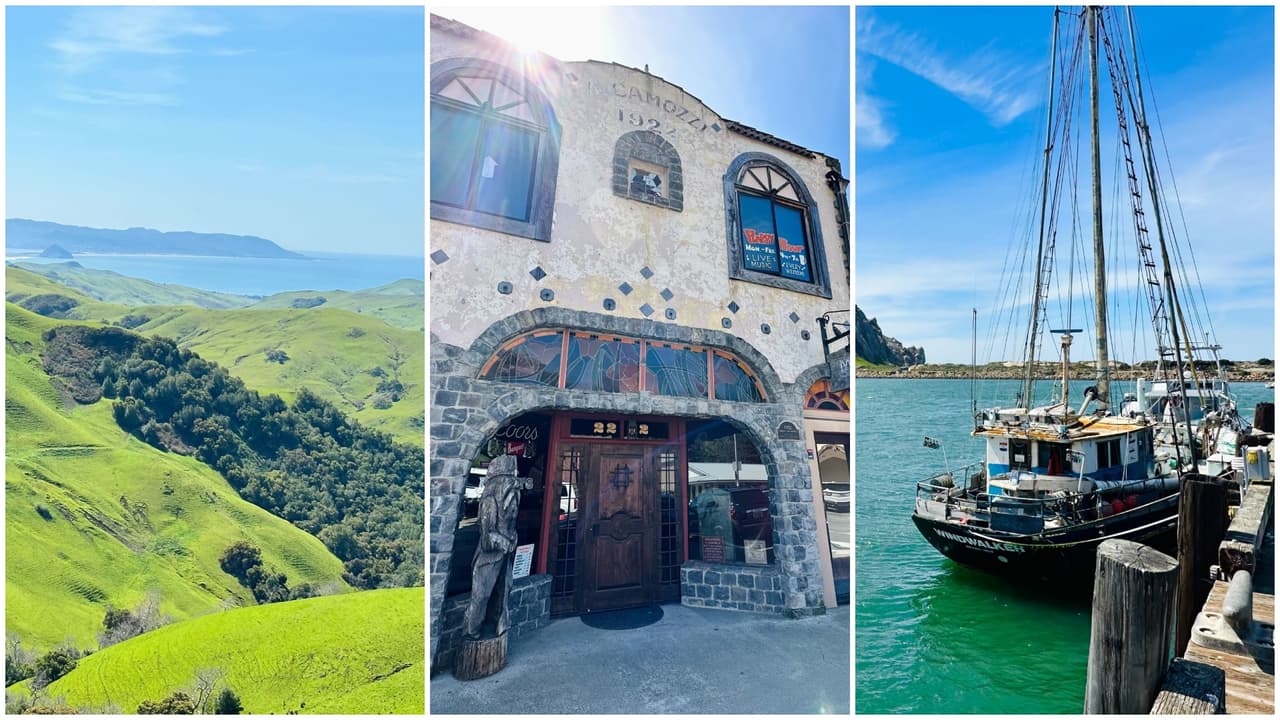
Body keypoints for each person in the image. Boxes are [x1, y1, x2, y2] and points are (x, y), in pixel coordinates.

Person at [463, 454, 531, 639]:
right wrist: (503, 541)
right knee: (481, 595)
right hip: (488, 559)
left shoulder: (511, 498)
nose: (514, 486)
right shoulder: (490, 501)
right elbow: (487, 536)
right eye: (509, 481)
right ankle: (472, 631)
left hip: (506, 554)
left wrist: (512, 538)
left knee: (504, 591)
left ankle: (499, 626)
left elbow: (511, 525)